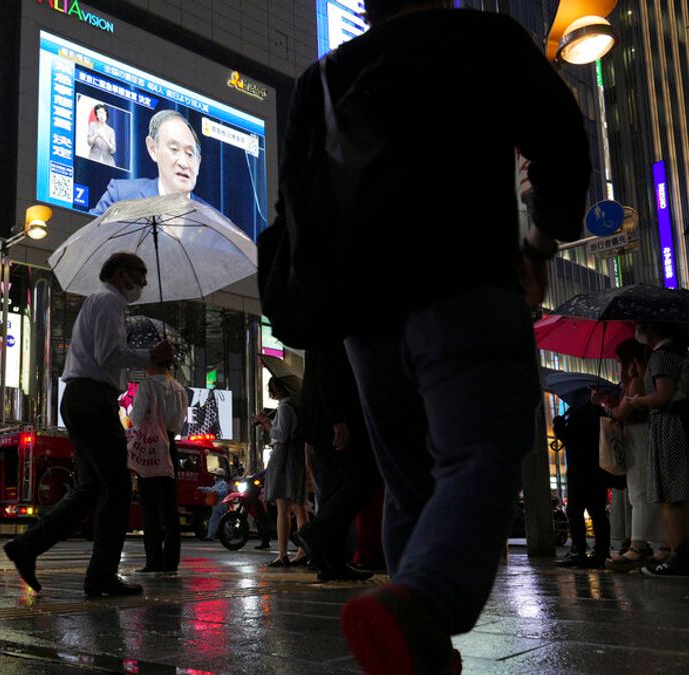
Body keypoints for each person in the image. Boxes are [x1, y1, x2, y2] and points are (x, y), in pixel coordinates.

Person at [272, 0, 591, 670]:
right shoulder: (483, 38)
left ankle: (419, 651)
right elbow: (562, 137)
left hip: (366, 322)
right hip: (465, 282)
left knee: (409, 482)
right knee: (482, 453)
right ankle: (420, 604)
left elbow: (296, 208)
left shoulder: (320, 80)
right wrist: (538, 244)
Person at [3, 251, 172, 597]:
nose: (144, 282)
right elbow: (108, 355)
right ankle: (101, 575)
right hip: (93, 400)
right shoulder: (109, 303)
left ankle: (28, 547)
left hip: (83, 399)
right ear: (121, 274)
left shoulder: (104, 303)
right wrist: (150, 356)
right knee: (118, 488)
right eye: (140, 274)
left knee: (92, 488)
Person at [295, 343, 379, 582]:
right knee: (364, 477)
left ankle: (331, 562)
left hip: (321, 418)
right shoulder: (330, 327)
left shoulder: (319, 327)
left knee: (334, 486)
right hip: (333, 417)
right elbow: (328, 368)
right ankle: (316, 532)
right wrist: (337, 418)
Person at [614, 322, 689, 579]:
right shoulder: (678, 353)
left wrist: (638, 400)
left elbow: (662, 396)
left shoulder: (661, 355)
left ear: (652, 328)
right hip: (678, 423)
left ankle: (680, 556)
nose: (637, 329)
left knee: (670, 494)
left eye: (639, 324)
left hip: (667, 425)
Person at [600, 340, 664, 572]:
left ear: (632, 360)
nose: (619, 365)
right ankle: (664, 546)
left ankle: (638, 546)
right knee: (648, 492)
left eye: (620, 361)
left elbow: (622, 413)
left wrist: (606, 407)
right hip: (642, 436)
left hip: (638, 437)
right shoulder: (647, 378)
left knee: (639, 492)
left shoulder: (637, 381)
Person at [88, 110, 211, 215]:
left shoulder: (213, 219)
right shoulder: (121, 196)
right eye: (174, 149)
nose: (183, 163)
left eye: (190, 154)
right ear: (153, 148)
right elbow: (87, 232)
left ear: (198, 164)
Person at [131, 358, 189, 574]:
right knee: (170, 506)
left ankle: (153, 560)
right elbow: (180, 421)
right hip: (170, 445)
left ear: (151, 364)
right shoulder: (179, 389)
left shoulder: (147, 385)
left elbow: (137, 417)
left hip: (151, 446)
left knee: (150, 506)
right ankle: (171, 560)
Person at [255, 375, 309, 568]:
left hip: (284, 458)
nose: (271, 392)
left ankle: (284, 553)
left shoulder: (285, 407)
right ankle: (303, 550)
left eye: (271, 389)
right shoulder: (294, 406)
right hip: (294, 457)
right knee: (297, 505)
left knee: (284, 506)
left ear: (278, 389)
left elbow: (281, 435)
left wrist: (266, 424)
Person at [553, 400, 611, 568]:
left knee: (575, 511)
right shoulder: (598, 412)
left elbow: (571, 439)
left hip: (579, 471)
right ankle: (601, 552)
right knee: (598, 513)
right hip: (598, 469)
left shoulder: (578, 414)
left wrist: (559, 427)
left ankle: (579, 552)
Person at [197, 467, 231, 540]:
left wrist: (215, 492)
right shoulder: (217, 484)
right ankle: (228, 535)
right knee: (222, 521)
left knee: (214, 521)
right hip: (217, 505)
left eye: (216, 475)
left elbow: (223, 492)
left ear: (219, 476)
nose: (214, 476)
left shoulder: (223, 484)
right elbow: (211, 490)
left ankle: (210, 536)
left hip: (220, 505)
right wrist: (203, 489)